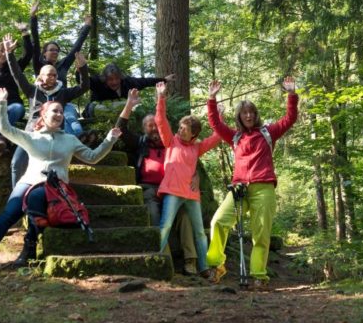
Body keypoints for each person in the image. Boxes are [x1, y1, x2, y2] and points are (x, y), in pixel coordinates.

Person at [0, 90, 121, 271]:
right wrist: (1, 103)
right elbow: (5, 129)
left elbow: (92, 157)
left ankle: (29, 248)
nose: (59, 114)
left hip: (55, 187)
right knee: (9, 214)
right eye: (55, 111)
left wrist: (110, 139)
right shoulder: (31, 136)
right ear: (44, 114)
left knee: (36, 198)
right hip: (29, 181)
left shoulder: (70, 140)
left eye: (61, 112)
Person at [205, 77, 298, 289]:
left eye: (252, 112)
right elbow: (215, 124)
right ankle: (216, 266)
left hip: (264, 187)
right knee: (218, 221)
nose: (248, 116)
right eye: (244, 113)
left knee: (261, 233)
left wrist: (292, 94)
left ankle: (259, 276)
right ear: (239, 116)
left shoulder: (268, 132)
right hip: (238, 188)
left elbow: (290, 118)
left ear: (256, 115)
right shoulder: (235, 137)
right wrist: (211, 98)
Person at [114, 95, 201, 275]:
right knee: (153, 215)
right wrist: (129, 105)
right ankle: (164, 259)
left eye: (156, 124)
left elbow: (190, 162)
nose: (154, 128)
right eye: (149, 125)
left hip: (175, 191)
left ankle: (190, 261)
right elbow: (120, 129)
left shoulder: (174, 143)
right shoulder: (140, 143)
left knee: (185, 217)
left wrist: (196, 174)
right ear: (143, 128)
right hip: (150, 190)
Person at [154, 81, 221, 276]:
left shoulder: (197, 147)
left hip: (191, 194)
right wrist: (161, 97)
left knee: (200, 231)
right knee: (165, 226)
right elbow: (160, 120)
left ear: (194, 134)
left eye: (185, 128)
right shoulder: (171, 141)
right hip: (173, 192)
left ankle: (204, 267)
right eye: (181, 127)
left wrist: (217, 110)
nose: (181, 130)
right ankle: (157, 263)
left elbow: (217, 136)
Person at [25, 1, 91, 135]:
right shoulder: (39, 65)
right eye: (51, 50)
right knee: (64, 121)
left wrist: (87, 26)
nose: (55, 52)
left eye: (57, 50)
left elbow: (76, 47)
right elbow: (35, 42)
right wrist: (33, 17)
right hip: (45, 105)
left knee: (72, 120)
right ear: (44, 53)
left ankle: (79, 139)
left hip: (64, 103)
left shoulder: (63, 65)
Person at [7, 39, 90, 136]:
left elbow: (84, 87)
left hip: (57, 134)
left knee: (70, 120)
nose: (52, 77)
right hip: (34, 133)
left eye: (55, 75)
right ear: (41, 76)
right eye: (49, 75)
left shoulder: (63, 93)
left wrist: (83, 68)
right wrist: (9, 54)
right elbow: (17, 74)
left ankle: (80, 138)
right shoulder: (32, 91)